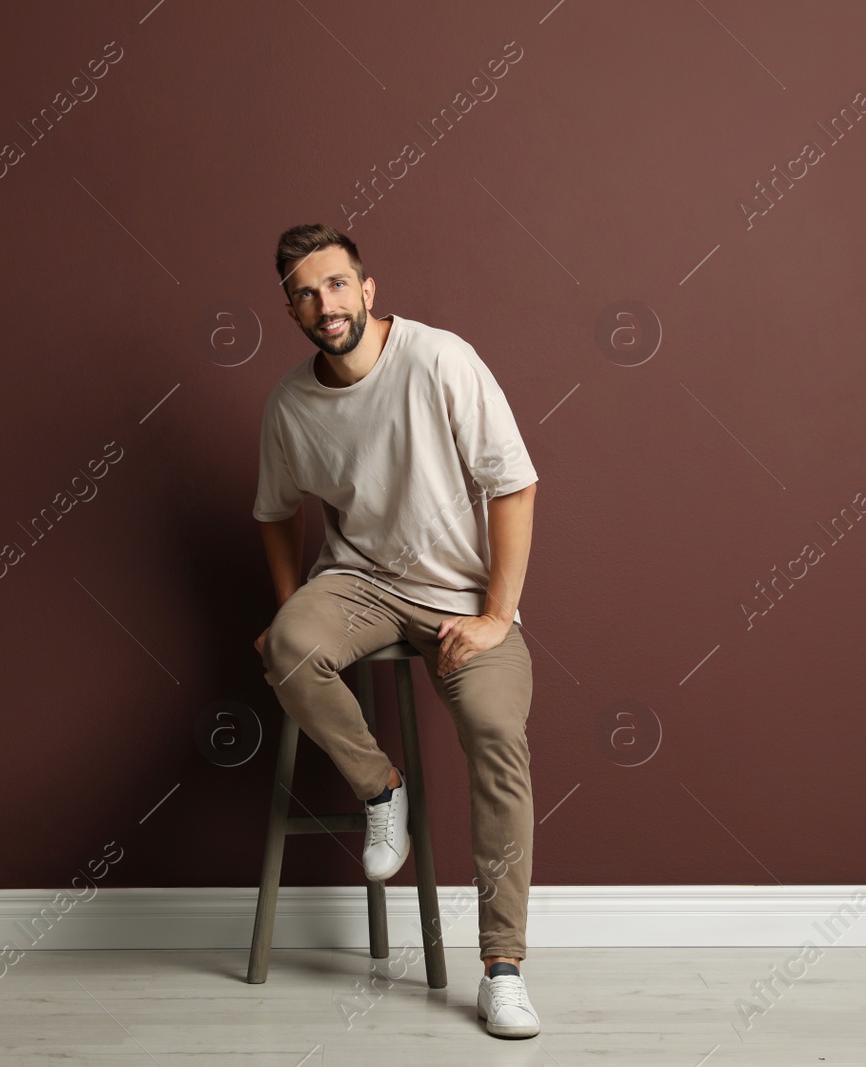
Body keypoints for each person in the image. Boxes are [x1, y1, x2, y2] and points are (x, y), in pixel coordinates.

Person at [252, 223, 542, 1038]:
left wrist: (493, 615)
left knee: (494, 732)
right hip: (360, 584)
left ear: (367, 289)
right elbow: (275, 514)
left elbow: (514, 485)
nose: (325, 303)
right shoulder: (290, 403)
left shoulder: (440, 358)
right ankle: (384, 790)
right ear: (290, 309)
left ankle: (503, 968)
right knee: (287, 647)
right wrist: (286, 605)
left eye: (337, 285)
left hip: (459, 595)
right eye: (306, 293)